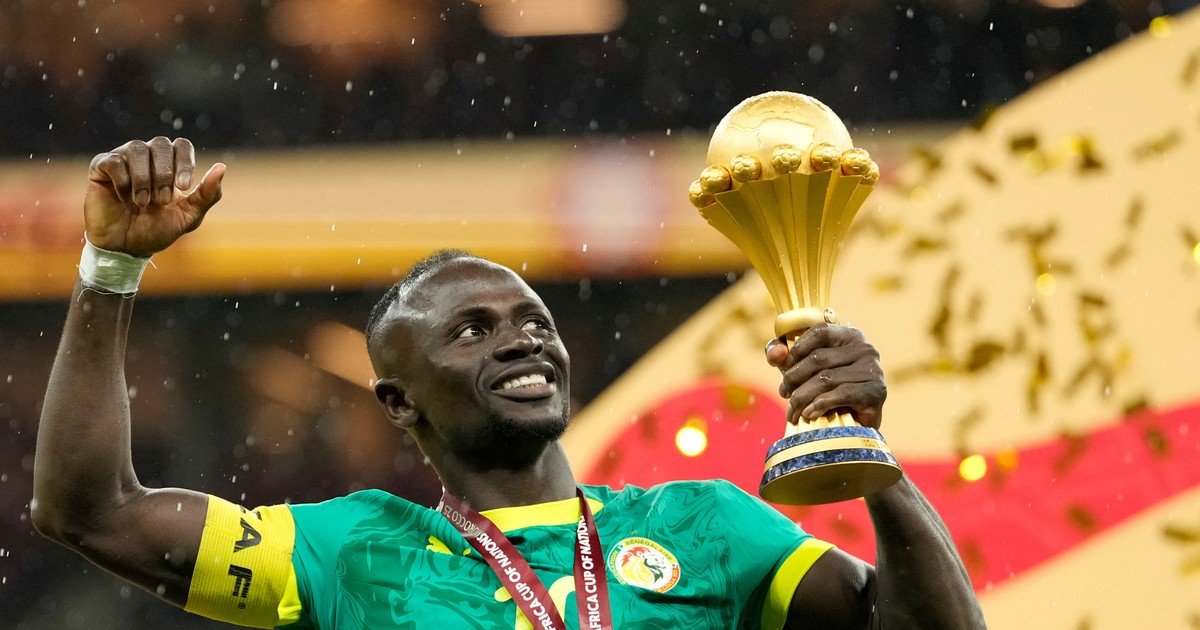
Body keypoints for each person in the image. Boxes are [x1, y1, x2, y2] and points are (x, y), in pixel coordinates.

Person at [33, 137, 984, 629]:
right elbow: (89, 510)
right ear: (399, 401)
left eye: (534, 321)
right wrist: (111, 269)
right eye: (472, 331)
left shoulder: (705, 528)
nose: (521, 342)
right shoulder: (346, 551)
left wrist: (867, 454)